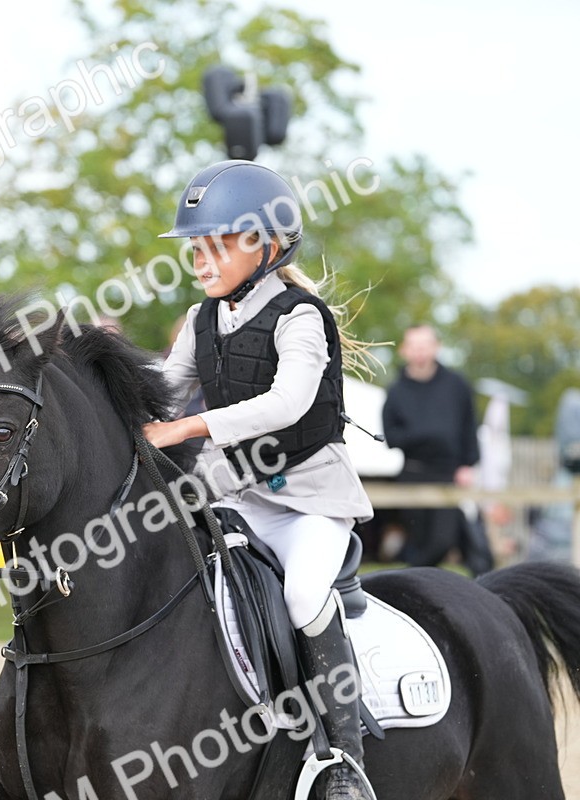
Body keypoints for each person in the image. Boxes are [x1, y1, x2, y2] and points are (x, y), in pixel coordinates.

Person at [144, 160, 375, 799]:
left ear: (268, 247)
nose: (201, 257)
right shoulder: (202, 320)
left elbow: (287, 404)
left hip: (311, 503)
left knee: (303, 594)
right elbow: (164, 390)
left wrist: (188, 430)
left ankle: (344, 762)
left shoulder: (301, 316)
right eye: (197, 245)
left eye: (218, 243)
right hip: (239, 497)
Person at [381, 325, 489, 573]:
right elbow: (392, 437)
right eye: (414, 346)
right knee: (419, 542)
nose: (420, 352)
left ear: (436, 347)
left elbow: (469, 426)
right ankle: (415, 584)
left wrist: (467, 464)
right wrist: (427, 435)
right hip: (412, 474)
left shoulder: (457, 385)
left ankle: (407, 577)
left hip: (449, 475)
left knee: (443, 540)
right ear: (405, 350)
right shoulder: (396, 391)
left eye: (425, 345)